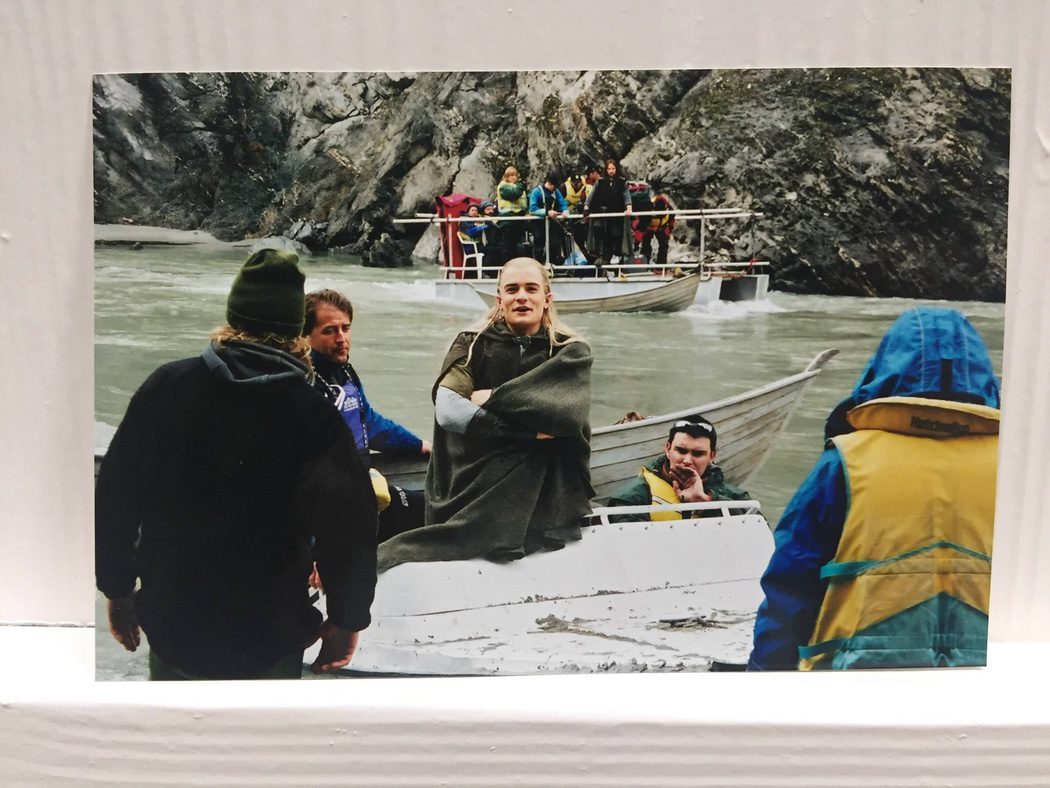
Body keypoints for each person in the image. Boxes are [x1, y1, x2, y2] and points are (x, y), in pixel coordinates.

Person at [96, 249, 379, 680]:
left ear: (233, 318)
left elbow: (116, 496)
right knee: (263, 745)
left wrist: (117, 590)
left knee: (173, 741)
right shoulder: (312, 413)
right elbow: (351, 527)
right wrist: (347, 619)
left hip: (175, 623)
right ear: (295, 332)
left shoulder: (167, 388)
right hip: (271, 630)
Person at [748, 307, 1001, 671]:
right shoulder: (1019, 470)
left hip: (857, 685)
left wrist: (765, 677)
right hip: (986, 686)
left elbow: (790, 588)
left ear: (886, 368)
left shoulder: (845, 463)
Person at [377, 257, 594, 571]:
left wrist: (491, 397)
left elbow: (566, 416)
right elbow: (450, 411)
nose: (522, 296)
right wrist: (527, 432)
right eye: (512, 289)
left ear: (547, 299)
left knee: (536, 456)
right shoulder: (473, 344)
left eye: (531, 289)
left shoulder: (569, 351)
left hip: (548, 485)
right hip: (475, 478)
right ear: (500, 299)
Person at [304, 288, 431, 543]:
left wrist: (418, 445)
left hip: (362, 493)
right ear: (305, 335)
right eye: (330, 330)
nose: (341, 338)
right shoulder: (304, 384)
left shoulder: (343, 371)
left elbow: (368, 422)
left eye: (345, 328)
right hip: (330, 513)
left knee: (434, 507)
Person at [607, 418, 749, 519]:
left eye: (698, 453)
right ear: (668, 449)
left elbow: (759, 536)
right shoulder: (632, 497)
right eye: (681, 451)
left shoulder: (737, 498)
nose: (687, 460)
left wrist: (706, 502)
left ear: (712, 456)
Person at [584, 158, 632, 266]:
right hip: (602, 214)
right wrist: (586, 207)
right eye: (609, 169)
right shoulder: (600, 182)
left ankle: (616, 255)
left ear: (616, 169)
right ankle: (601, 257)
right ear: (606, 170)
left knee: (616, 235)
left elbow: (626, 196)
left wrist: (629, 208)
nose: (611, 171)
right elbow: (591, 195)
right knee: (601, 235)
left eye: (613, 169)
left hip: (616, 214)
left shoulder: (622, 182)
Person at [527, 173, 569, 263]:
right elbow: (532, 208)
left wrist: (565, 210)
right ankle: (538, 263)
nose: (555, 188)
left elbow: (562, 203)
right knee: (539, 242)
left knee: (554, 242)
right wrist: (547, 212)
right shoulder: (537, 191)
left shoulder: (555, 192)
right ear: (549, 183)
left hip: (551, 222)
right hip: (538, 223)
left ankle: (551, 262)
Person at [633, 191, 677, 267]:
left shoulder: (669, 211)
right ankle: (645, 264)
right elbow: (640, 227)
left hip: (661, 226)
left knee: (664, 245)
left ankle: (661, 266)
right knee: (646, 244)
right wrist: (636, 243)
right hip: (648, 226)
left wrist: (669, 230)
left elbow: (671, 221)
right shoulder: (646, 209)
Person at [495, 165, 528, 257]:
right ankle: (506, 267)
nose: (514, 177)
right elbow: (514, 194)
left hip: (517, 218)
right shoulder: (503, 186)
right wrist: (522, 185)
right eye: (511, 175)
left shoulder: (517, 186)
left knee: (515, 246)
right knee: (508, 247)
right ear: (506, 176)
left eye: (515, 175)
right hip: (507, 220)